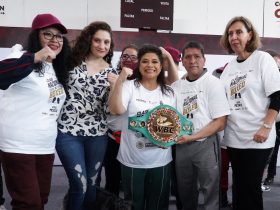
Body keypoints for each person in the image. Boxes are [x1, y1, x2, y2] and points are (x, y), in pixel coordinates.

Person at [0, 13, 70, 210]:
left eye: (59, 36)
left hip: (45, 146)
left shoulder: (54, 68)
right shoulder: (21, 56)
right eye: (48, 34)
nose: (55, 40)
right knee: (28, 204)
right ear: (35, 36)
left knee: (41, 200)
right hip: (18, 145)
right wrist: (34, 57)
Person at [220, 16, 280, 210]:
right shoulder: (229, 67)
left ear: (250, 34)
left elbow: (277, 97)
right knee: (238, 186)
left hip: (258, 137)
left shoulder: (263, 59)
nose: (234, 37)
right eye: (230, 33)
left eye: (239, 32)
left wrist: (266, 126)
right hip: (234, 137)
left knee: (250, 187)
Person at [56, 21, 117, 210]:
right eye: (97, 40)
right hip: (68, 132)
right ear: (89, 40)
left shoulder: (111, 72)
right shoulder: (70, 61)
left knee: (91, 185)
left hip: (97, 135)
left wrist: (115, 85)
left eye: (106, 42)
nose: (102, 46)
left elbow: (110, 110)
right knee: (79, 184)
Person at [108, 44, 177, 210]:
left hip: (161, 161)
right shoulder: (130, 87)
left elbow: (175, 124)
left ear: (161, 67)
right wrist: (121, 79)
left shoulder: (169, 92)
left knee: (159, 204)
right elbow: (116, 109)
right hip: (132, 161)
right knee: (133, 204)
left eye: (155, 61)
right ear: (139, 65)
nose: (150, 65)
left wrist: (167, 54)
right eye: (145, 61)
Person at [172, 41, 231, 210]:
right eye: (188, 57)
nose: (193, 61)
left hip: (206, 143)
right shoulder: (176, 86)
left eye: (197, 56)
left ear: (204, 60)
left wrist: (192, 136)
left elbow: (220, 122)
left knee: (210, 190)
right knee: (185, 192)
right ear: (182, 61)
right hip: (181, 145)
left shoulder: (213, 83)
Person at [103, 44, 139, 195]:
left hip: (133, 141)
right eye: (125, 56)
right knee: (112, 182)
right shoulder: (110, 77)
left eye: (133, 57)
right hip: (113, 138)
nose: (128, 59)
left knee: (133, 183)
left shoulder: (142, 82)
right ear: (120, 59)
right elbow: (108, 108)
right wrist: (115, 83)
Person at [163, 46, 183, 210]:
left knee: (178, 179)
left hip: (177, 136)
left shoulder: (181, 78)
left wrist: (168, 56)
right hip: (160, 134)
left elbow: (175, 83)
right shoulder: (158, 78)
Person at [212, 64, 232, 207]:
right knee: (221, 171)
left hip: (242, 139)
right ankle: (222, 199)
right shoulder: (214, 91)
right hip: (221, 139)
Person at [262, 50, 280, 189]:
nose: (277, 65)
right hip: (271, 121)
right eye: (275, 62)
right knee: (271, 153)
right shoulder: (264, 76)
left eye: (278, 63)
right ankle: (269, 176)